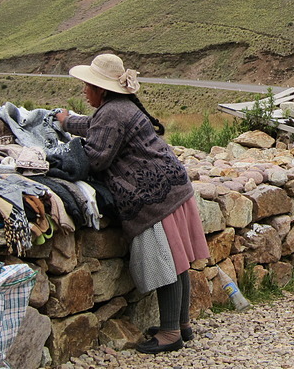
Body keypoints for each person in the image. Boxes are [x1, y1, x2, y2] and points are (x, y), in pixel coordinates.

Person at [55, 54, 209, 354]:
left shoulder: (113, 113)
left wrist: (65, 155)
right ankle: (182, 325)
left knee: (169, 262)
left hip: (153, 195)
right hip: (173, 186)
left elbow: (97, 157)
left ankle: (170, 334)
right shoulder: (117, 109)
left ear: (102, 90)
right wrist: (67, 121)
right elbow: (96, 126)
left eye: (88, 86)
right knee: (179, 261)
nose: (85, 91)